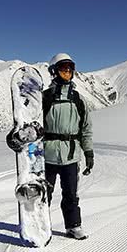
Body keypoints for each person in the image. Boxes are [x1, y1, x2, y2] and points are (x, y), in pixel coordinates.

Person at [43, 53, 94, 240]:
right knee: (43, 194)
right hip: (47, 155)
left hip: (71, 155)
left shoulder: (78, 100)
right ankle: (40, 225)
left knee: (71, 194)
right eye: (63, 68)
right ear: (54, 71)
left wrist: (88, 152)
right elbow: (31, 125)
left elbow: (86, 128)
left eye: (70, 69)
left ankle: (73, 226)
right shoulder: (45, 98)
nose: (67, 72)